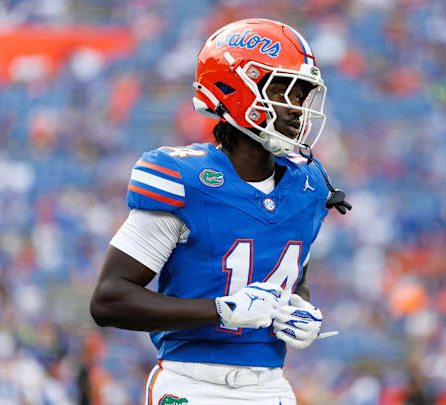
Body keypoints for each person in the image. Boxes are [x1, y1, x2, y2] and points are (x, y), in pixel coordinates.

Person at [90, 18, 350, 404]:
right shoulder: (185, 179)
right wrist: (220, 310)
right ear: (238, 90)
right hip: (191, 384)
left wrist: (299, 309)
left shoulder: (307, 187)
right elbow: (109, 299)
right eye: (285, 92)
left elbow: (293, 280)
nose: (297, 110)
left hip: (270, 387)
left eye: (301, 96)